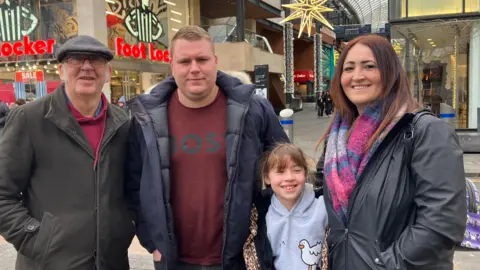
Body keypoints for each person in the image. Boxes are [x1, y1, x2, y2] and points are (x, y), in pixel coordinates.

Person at [125, 25, 289, 269]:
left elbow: (286, 170)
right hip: (174, 260)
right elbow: (133, 183)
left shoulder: (253, 110)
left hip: (240, 257)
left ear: (215, 61)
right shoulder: (146, 118)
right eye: (184, 61)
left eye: (202, 59)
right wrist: (152, 243)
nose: (194, 69)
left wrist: (266, 232)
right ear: (172, 66)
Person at [319, 35, 466, 269]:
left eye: (369, 66)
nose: (357, 76)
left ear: (390, 72)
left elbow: (442, 223)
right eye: (349, 68)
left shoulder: (425, 132)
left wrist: (384, 266)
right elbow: (325, 202)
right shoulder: (337, 139)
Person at [0, 35, 134, 270]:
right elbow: (2, 193)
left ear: (108, 72)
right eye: (75, 60)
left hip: (111, 262)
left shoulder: (124, 123)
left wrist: (126, 227)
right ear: (61, 70)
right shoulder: (29, 119)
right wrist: (36, 239)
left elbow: (133, 188)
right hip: (49, 263)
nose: (87, 67)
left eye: (96, 60)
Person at [243, 143, 328, 270]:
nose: (289, 177)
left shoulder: (323, 207)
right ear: (267, 178)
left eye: (297, 170)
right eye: (280, 172)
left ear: (305, 173)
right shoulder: (261, 215)